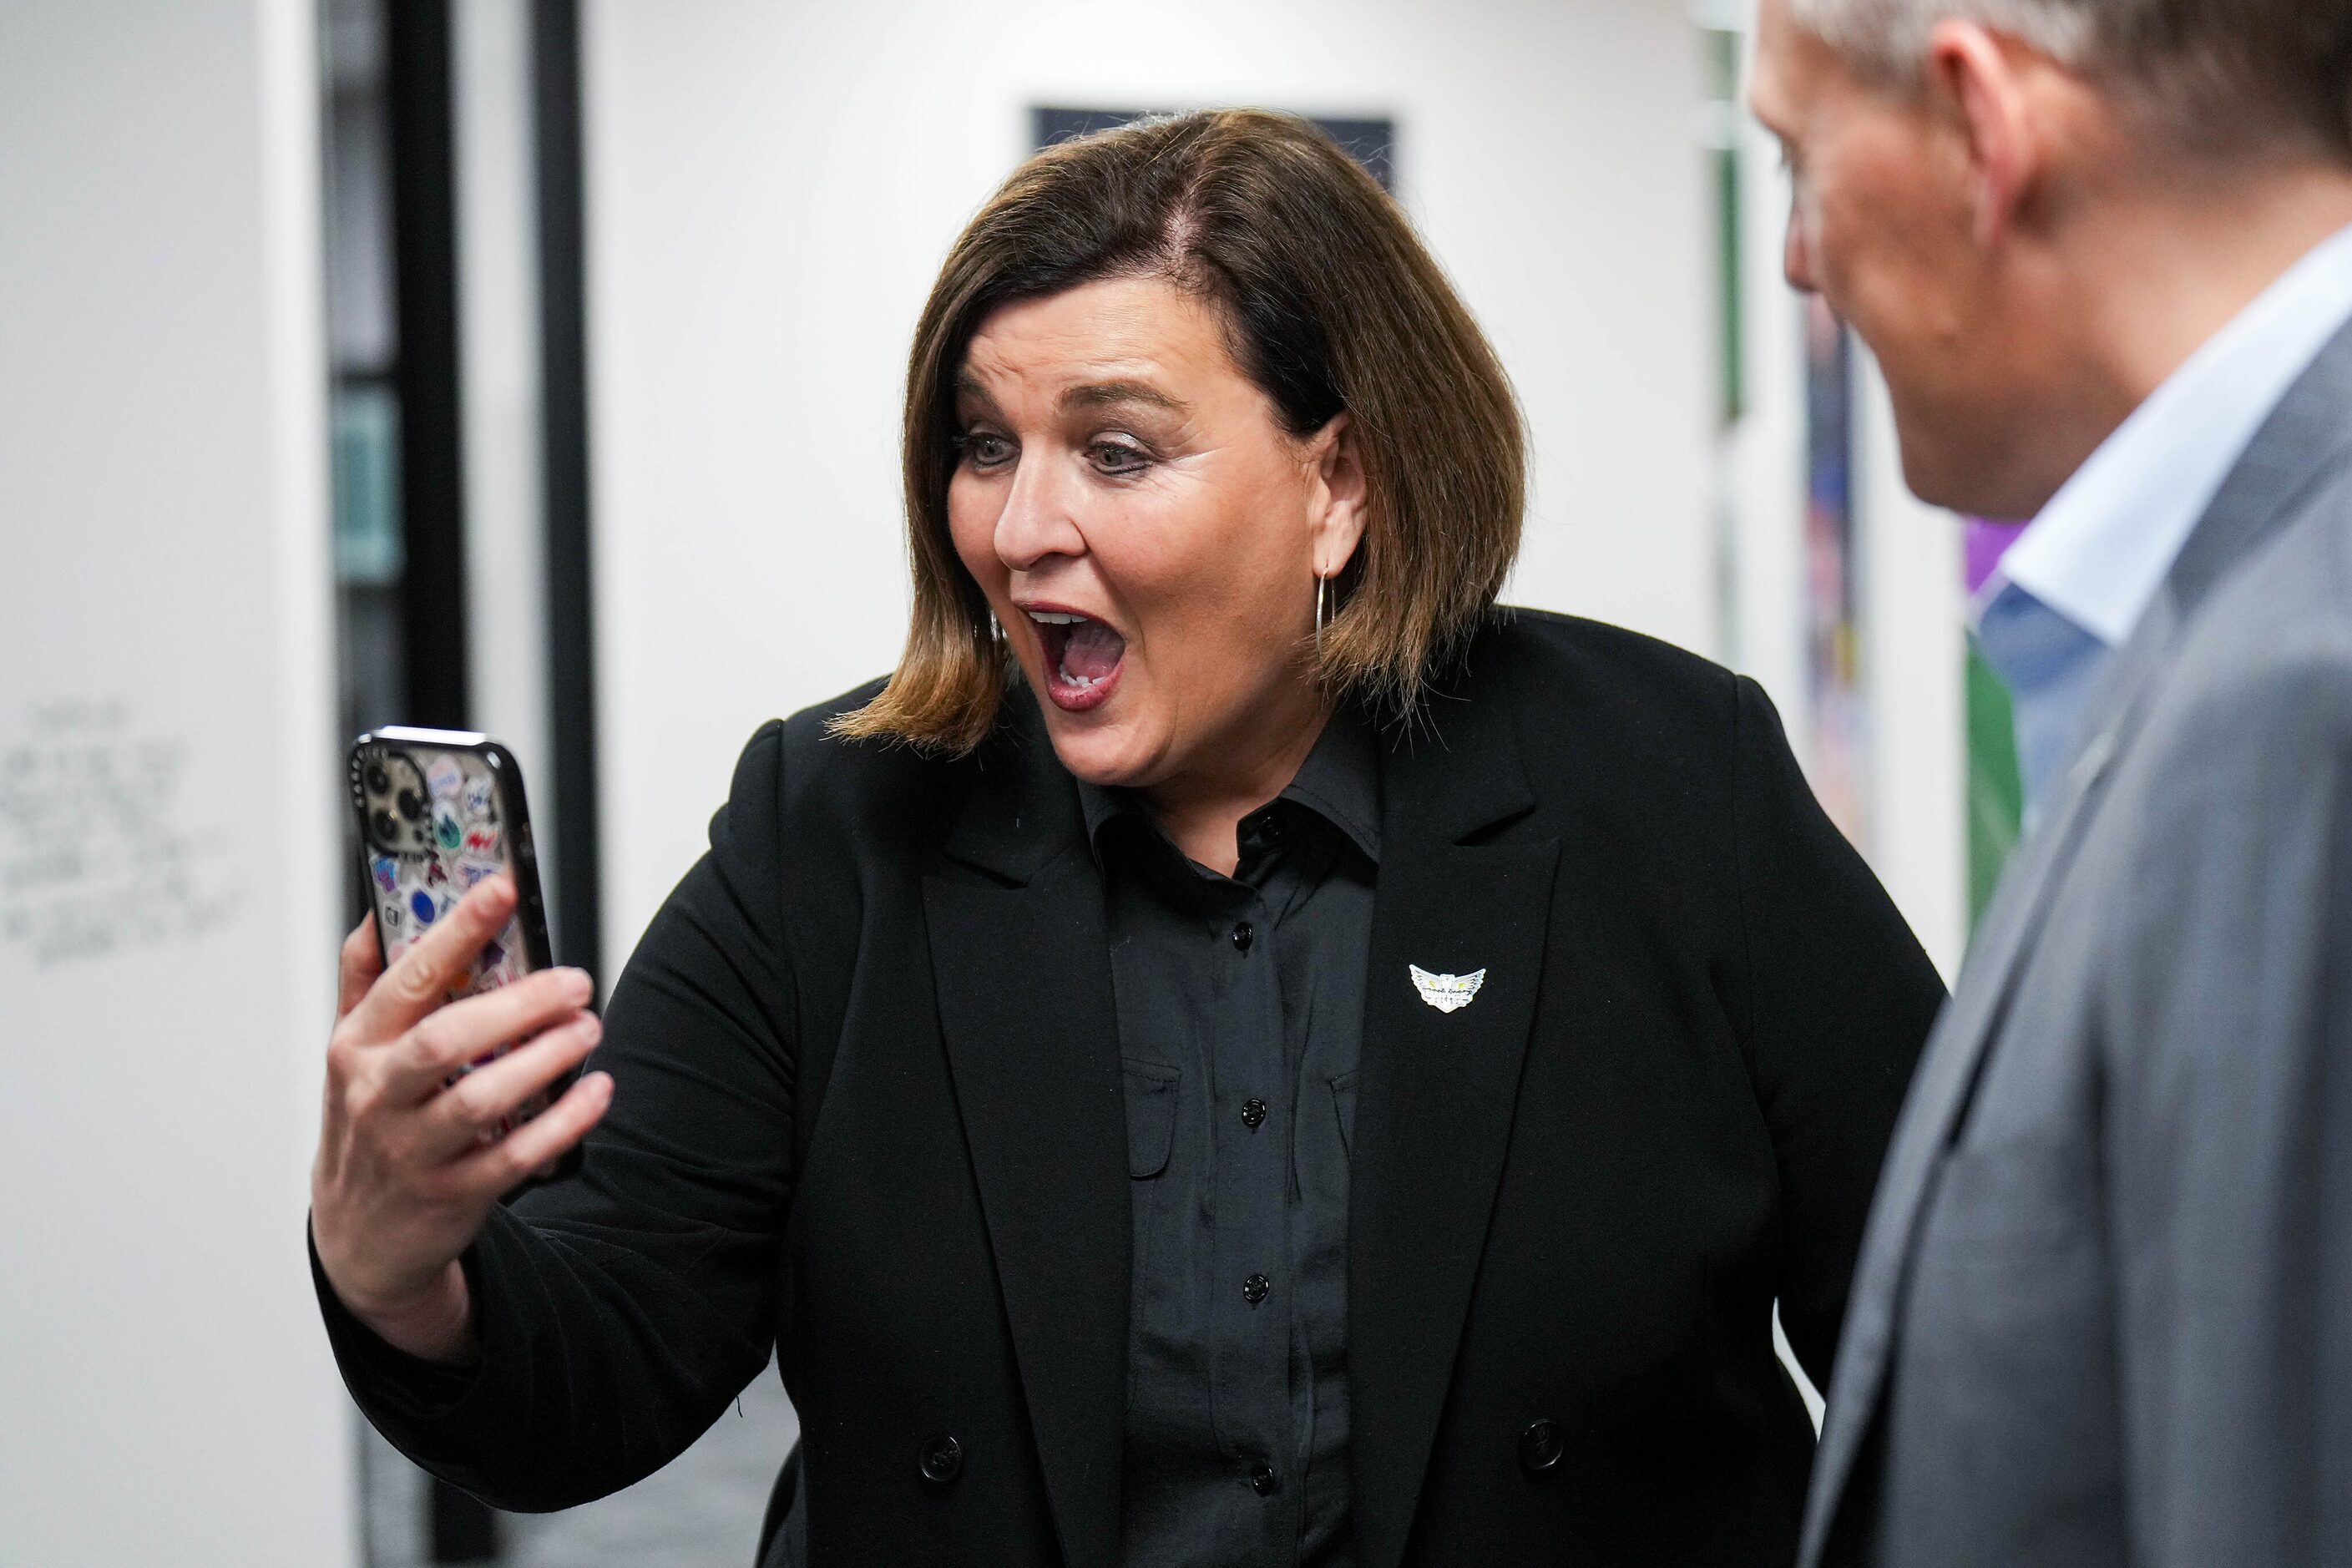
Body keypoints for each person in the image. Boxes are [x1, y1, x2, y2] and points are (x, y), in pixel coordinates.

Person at [309, 109, 1943, 1567]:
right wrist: (402, 1264)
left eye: (1113, 449)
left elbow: (1949, 1335)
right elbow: (593, 1364)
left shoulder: (1665, 779)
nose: (1017, 532)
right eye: (979, 443)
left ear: (1339, 485)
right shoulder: (831, 824)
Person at [1748, 3, 2352, 1565]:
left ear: (1978, 131)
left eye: (1799, 161)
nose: (1799, 262)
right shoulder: (2226, 620)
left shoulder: (2296, 699)